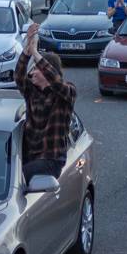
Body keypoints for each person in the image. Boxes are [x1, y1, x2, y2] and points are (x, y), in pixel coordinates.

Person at [15, 23, 76, 181]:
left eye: (36, 68)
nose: (32, 72)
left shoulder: (66, 93)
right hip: (31, 157)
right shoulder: (32, 91)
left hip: (51, 160)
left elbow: (55, 81)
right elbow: (18, 76)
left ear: (47, 72)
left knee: (18, 179)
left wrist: (36, 53)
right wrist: (28, 50)